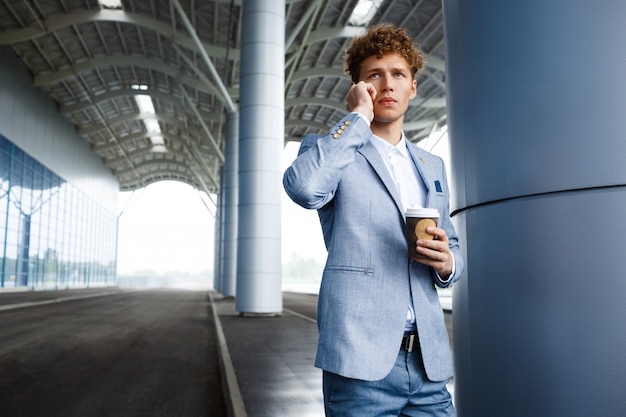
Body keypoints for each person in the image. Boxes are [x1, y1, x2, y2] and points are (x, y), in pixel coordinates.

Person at [283, 24, 464, 416]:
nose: (387, 84)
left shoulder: (431, 165)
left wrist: (448, 263)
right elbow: (304, 188)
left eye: (398, 74)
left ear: (413, 88)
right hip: (359, 364)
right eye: (374, 75)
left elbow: (451, 243)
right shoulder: (331, 149)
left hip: (428, 366)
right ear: (358, 87)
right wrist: (358, 118)